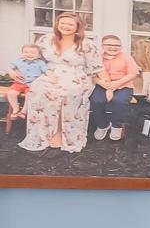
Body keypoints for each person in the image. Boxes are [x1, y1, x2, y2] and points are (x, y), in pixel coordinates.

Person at [18, 12, 95, 153]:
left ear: (77, 27)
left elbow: (95, 67)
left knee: (66, 93)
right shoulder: (46, 40)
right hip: (50, 73)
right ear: (57, 24)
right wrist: (19, 71)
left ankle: (61, 133)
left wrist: (108, 84)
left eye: (70, 24)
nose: (65, 26)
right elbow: (34, 59)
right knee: (39, 89)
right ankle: (45, 134)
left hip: (75, 75)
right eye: (62, 23)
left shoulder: (86, 44)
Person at [89, 34, 142, 142]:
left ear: (121, 47)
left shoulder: (127, 58)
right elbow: (92, 75)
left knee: (119, 101)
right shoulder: (96, 58)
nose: (113, 47)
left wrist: (116, 84)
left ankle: (116, 126)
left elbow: (133, 73)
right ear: (102, 45)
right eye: (109, 44)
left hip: (123, 85)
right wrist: (102, 83)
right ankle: (103, 125)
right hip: (102, 85)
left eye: (117, 45)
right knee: (96, 101)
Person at [4, 41, 44, 120]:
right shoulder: (19, 61)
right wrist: (11, 72)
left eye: (33, 53)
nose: (29, 54)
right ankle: (16, 108)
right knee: (11, 93)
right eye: (26, 52)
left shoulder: (40, 63)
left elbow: (45, 71)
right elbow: (10, 67)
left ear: (39, 55)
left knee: (30, 95)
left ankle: (24, 111)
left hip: (32, 84)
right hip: (19, 83)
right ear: (22, 53)